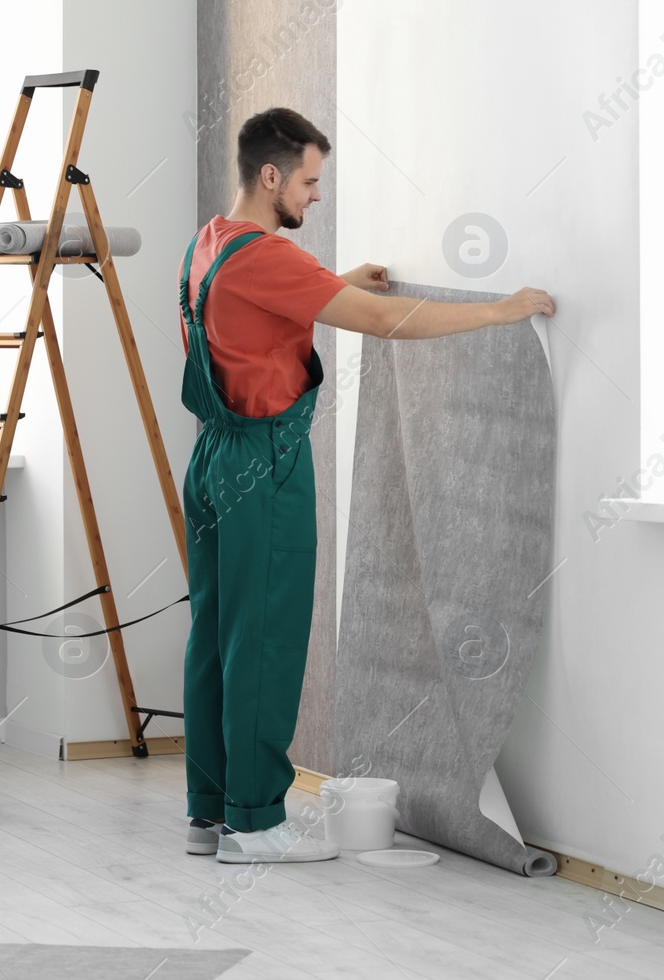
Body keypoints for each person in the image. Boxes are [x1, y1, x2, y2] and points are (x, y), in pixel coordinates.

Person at [178, 107, 556, 864]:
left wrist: (334, 284)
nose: (316, 196)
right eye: (311, 181)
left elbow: (249, 315)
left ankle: (212, 812)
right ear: (272, 175)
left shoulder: (213, 242)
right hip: (266, 467)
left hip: (215, 461)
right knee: (266, 642)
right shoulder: (270, 259)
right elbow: (384, 321)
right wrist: (500, 311)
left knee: (216, 639)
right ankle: (254, 827)